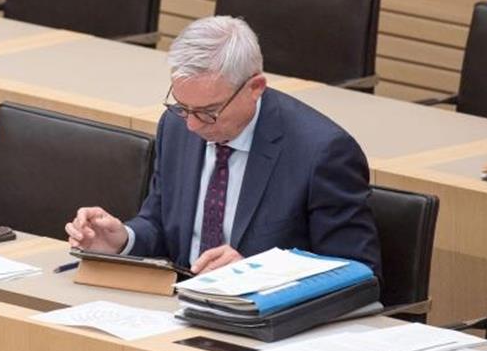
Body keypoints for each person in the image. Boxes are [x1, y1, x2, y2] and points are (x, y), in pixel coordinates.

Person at [66, 16, 381, 275]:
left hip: (262, 326)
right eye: (182, 106)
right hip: (178, 304)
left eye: (208, 112)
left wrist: (257, 273)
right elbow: (162, 225)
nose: (192, 124)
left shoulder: (322, 153)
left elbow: (357, 272)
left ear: (255, 88)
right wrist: (122, 241)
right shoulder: (176, 126)